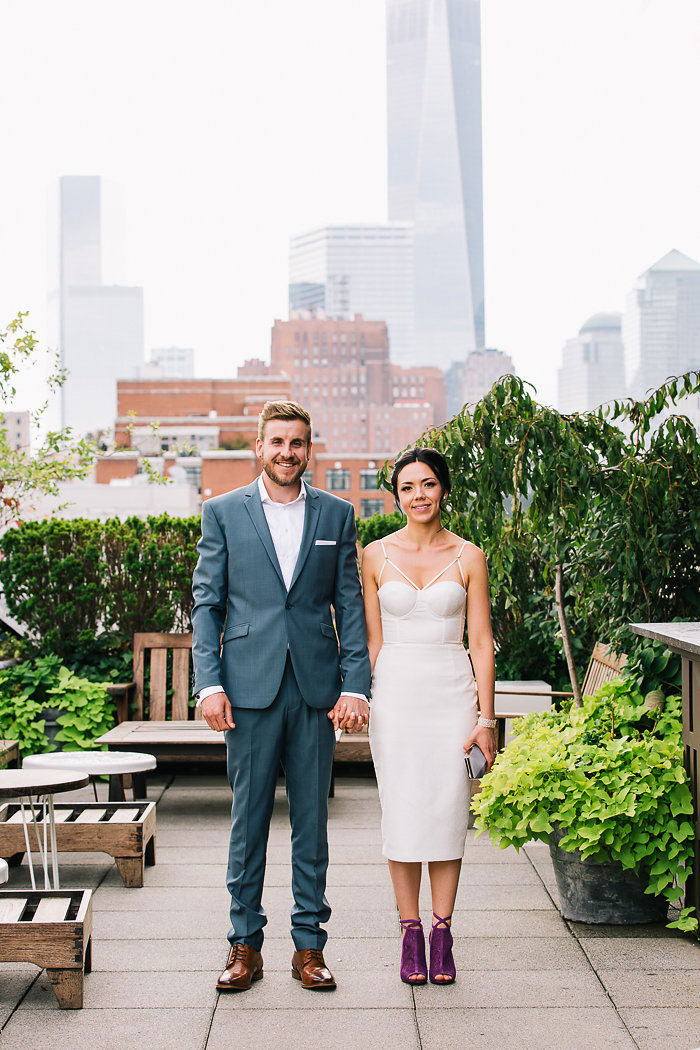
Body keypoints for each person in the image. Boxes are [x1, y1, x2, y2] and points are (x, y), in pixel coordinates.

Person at [192, 400, 371, 993]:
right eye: (276, 442)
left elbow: (349, 603)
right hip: (247, 688)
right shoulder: (221, 512)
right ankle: (244, 945)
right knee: (248, 822)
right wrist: (210, 683)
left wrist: (354, 686)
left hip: (316, 689)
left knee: (312, 822)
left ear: (309, 449)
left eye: (297, 443)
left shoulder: (337, 514)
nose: (286, 453)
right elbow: (208, 605)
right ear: (259, 448)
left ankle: (310, 947)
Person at [361, 447, 496, 985]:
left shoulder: (470, 556)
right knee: (402, 812)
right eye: (409, 486)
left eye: (429, 485)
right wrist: (370, 700)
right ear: (396, 495)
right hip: (395, 696)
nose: (419, 495)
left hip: (451, 693)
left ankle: (443, 931)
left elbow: (482, 641)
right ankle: (409, 932)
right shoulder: (373, 555)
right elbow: (371, 641)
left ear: (443, 490)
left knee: (445, 812)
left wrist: (485, 719)